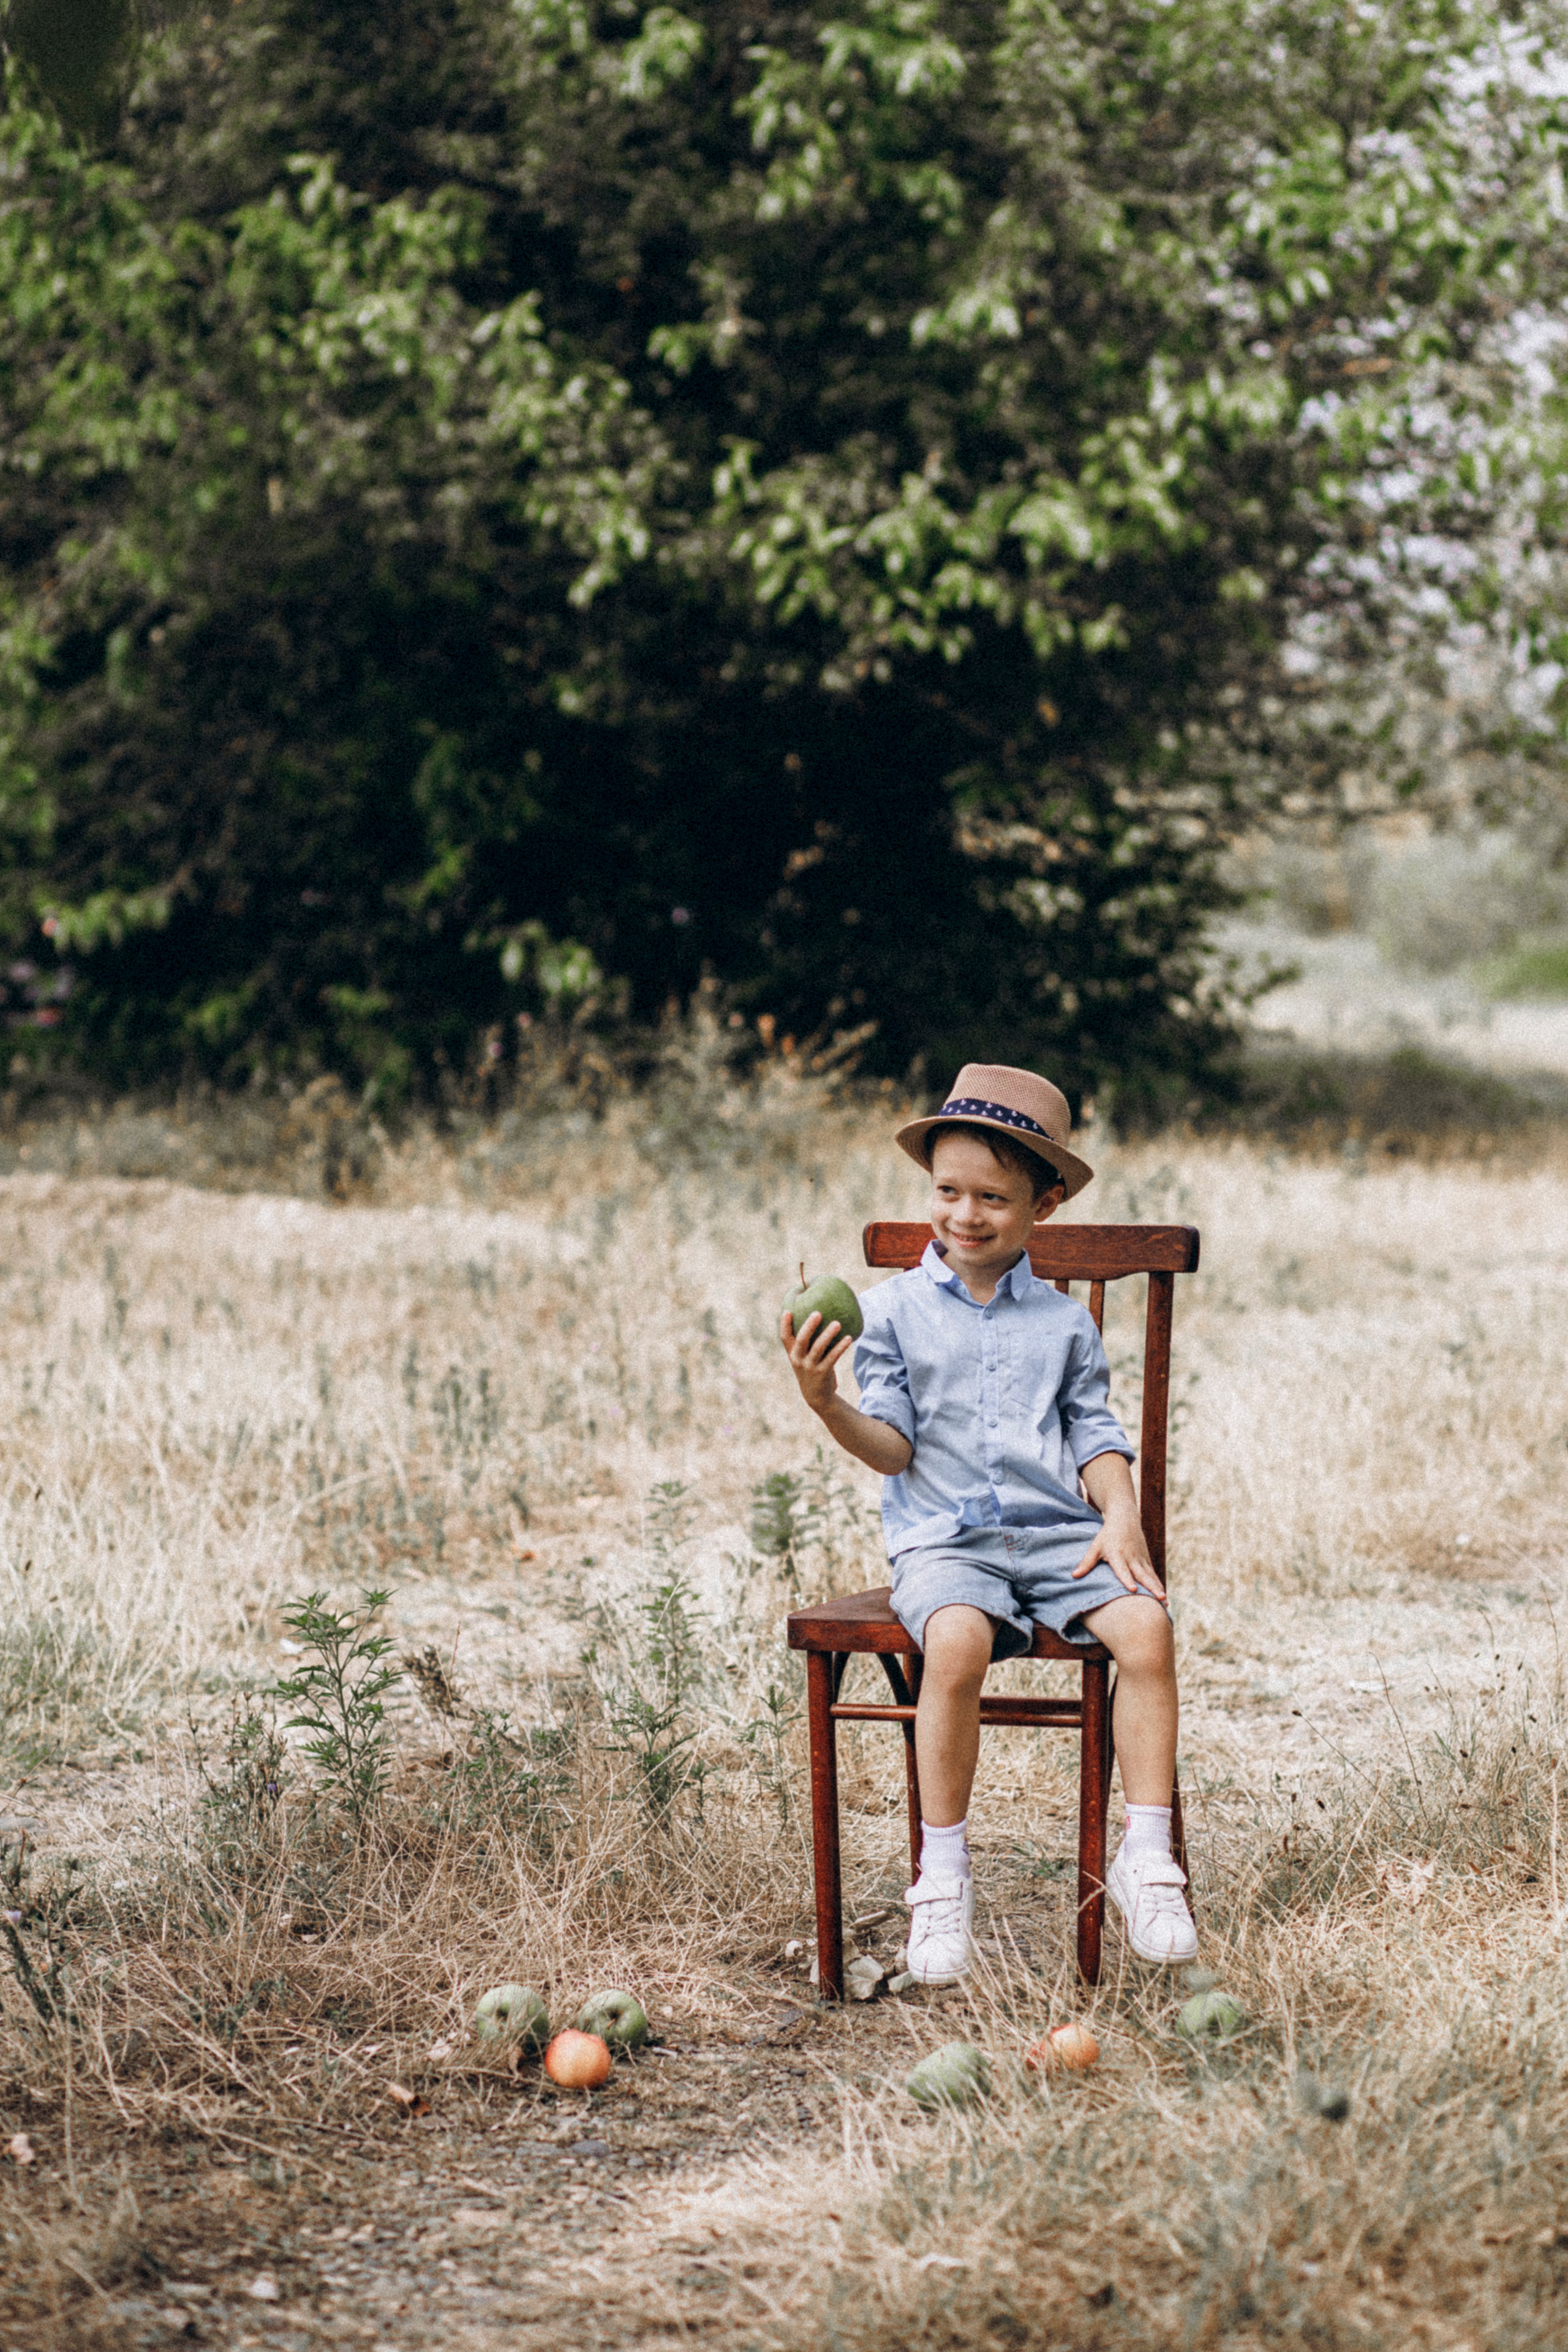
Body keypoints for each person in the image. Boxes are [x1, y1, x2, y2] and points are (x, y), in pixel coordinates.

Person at [779, 1062, 1196, 1983]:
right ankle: (943, 1877)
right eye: (947, 1191)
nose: (965, 1215)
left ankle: (1147, 1857)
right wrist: (825, 1403)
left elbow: (1095, 1434)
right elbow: (891, 1449)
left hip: (1055, 1538)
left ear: (1042, 1207)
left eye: (993, 1199)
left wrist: (1120, 1516)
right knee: (957, 1645)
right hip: (946, 1540)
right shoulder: (887, 1316)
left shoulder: (1063, 1325)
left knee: (1148, 1629)